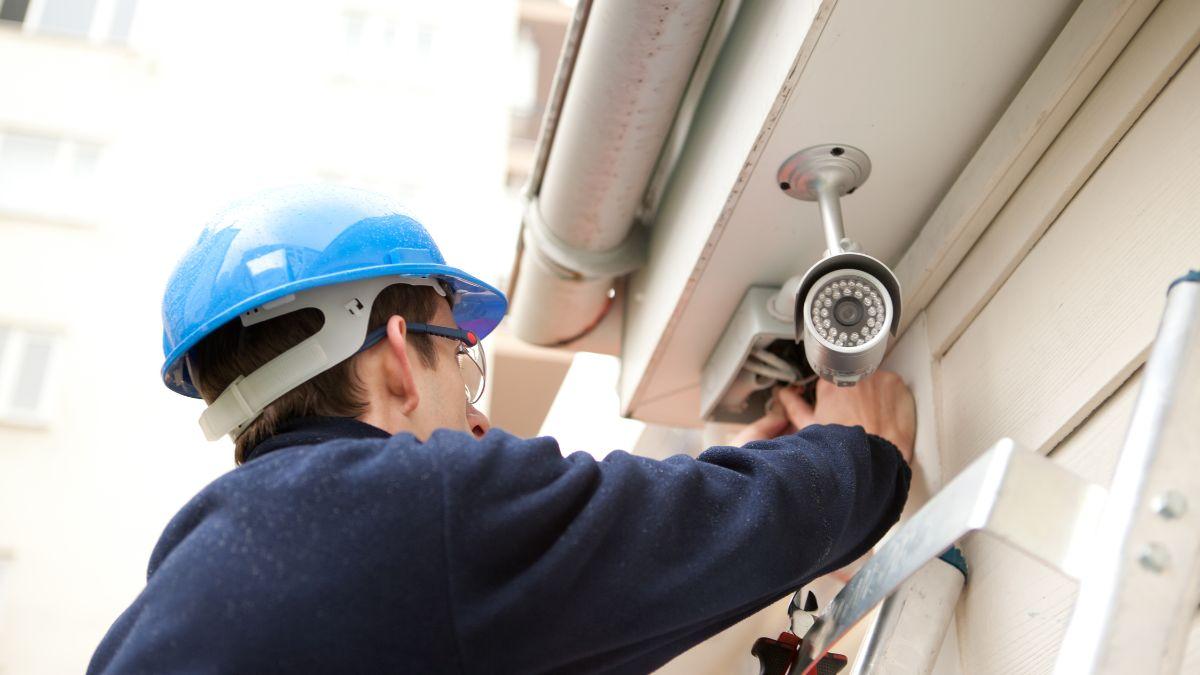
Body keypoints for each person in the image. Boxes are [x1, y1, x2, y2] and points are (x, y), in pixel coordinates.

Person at [88, 185, 915, 674]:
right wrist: (856, 457)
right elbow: (710, 525)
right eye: (463, 362)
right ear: (400, 362)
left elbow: (588, 615)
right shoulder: (412, 505)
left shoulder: (178, 593)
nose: (479, 419)